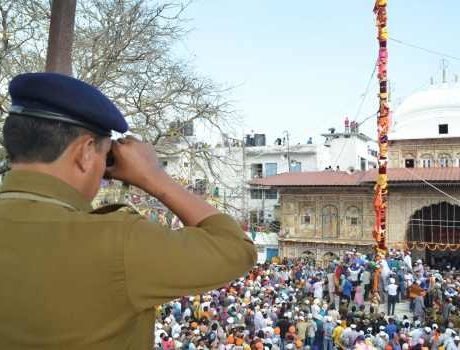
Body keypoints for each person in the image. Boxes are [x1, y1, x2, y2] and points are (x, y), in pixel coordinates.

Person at [0, 73, 257, 349]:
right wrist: (154, 175)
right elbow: (236, 248)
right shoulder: (115, 242)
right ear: (85, 152)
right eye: (105, 157)